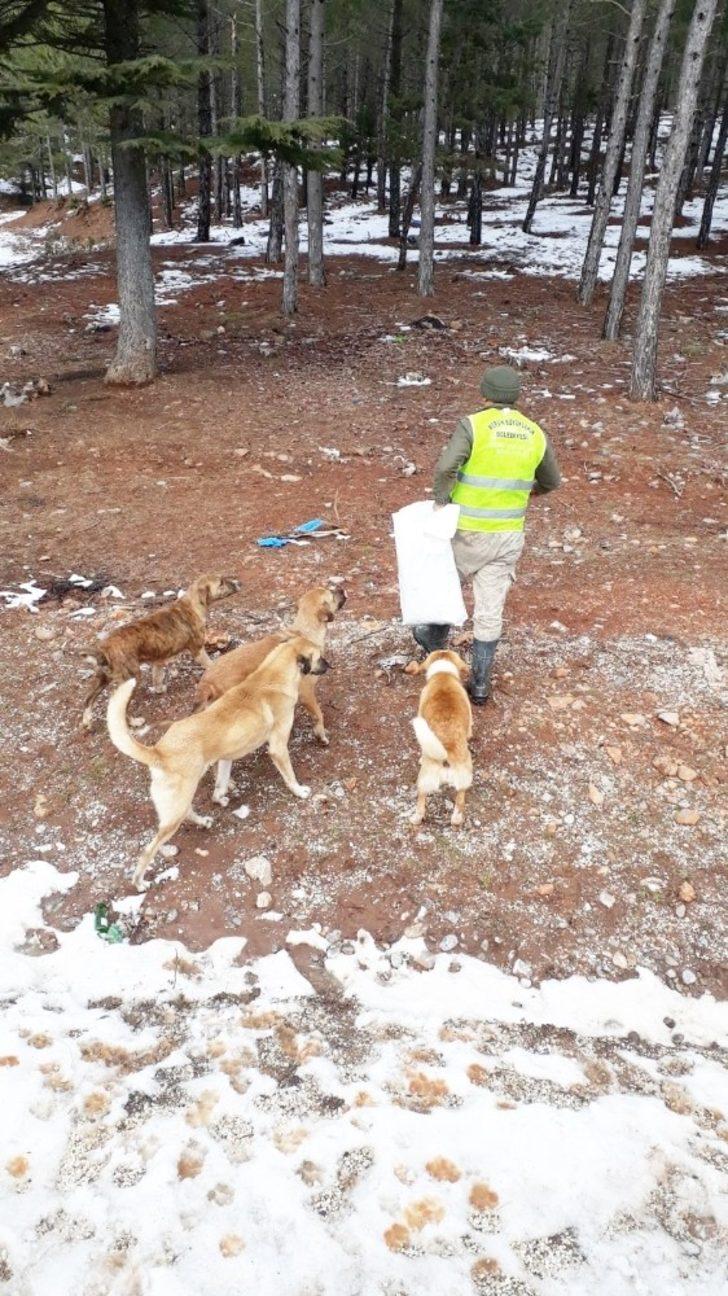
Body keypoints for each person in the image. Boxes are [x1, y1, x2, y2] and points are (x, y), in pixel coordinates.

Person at [414, 364, 561, 704]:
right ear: (516, 396)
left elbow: (446, 466)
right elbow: (552, 481)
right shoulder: (534, 433)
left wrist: (441, 500)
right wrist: (530, 492)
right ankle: (480, 684)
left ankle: (435, 638)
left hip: (467, 530)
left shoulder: (474, 425)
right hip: (508, 534)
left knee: (446, 581)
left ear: (484, 394)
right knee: (490, 606)